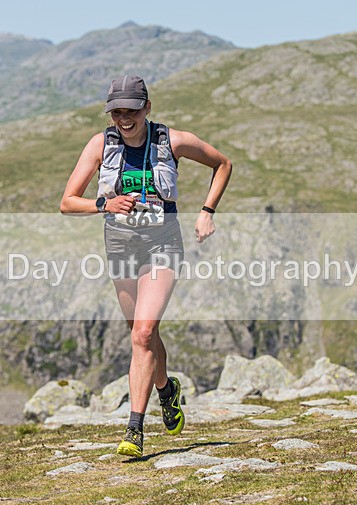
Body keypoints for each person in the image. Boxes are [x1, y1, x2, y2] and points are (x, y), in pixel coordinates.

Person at [60, 75, 232, 457]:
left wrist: (206, 212)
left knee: (142, 333)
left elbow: (222, 164)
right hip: (120, 246)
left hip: (163, 244)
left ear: (147, 108)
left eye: (131, 111)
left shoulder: (173, 141)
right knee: (142, 335)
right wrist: (105, 205)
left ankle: (134, 430)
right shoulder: (99, 145)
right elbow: (67, 201)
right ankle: (166, 390)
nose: (124, 118)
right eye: (116, 111)